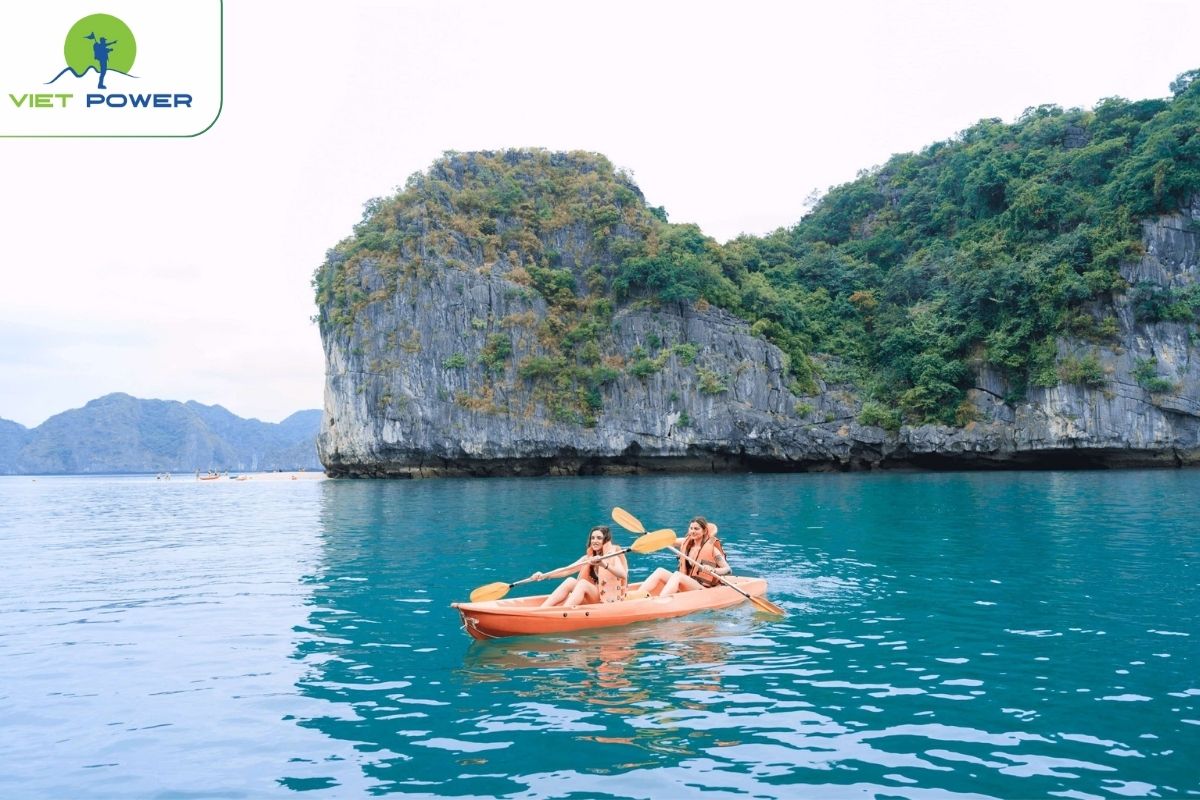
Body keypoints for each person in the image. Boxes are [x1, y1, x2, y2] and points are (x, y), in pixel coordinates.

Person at [536, 525, 628, 608]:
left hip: (607, 598)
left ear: (605, 541)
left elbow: (623, 574)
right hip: (594, 594)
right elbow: (566, 570)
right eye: (593, 538)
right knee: (570, 581)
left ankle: (563, 611)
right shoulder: (588, 558)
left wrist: (603, 564)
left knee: (583, 584)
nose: (595, 541)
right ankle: (542, 609)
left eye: (599, 538)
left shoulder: (612, 556)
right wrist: (544, 576)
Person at [639, 516, 730, 597]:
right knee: (660, 571)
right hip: (687, 582)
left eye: (696, 529)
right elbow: (667, 541)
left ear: (704, 531)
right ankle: (638, 596)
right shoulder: (685, 542)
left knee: (677, 575)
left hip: (702, 588)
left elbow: (728, 570)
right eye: (691, 528)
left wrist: (713, 570)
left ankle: (661, 600)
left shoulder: (712, 549)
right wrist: (652, 538)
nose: (693, 531)